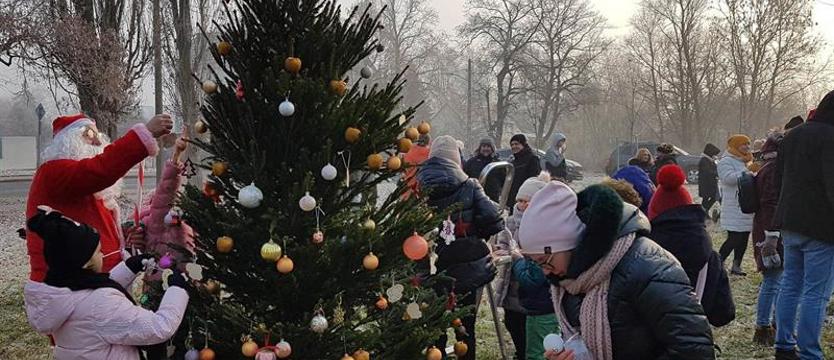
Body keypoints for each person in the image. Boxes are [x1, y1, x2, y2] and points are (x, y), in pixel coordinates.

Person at [517, 183, 714, 360]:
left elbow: (695, 350)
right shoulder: (570, 281)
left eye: (545, 262)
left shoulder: (647, 266)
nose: (546, 272)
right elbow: (584, 335)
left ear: (568, 241)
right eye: (536, 264)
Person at [23, 207, 189, 359]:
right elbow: (159, 327)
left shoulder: (61, 291)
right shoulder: (101, 305)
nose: (102, 254)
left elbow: (88, 295)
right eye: (98, 252)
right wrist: (177, 289)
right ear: (85, 262)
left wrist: (129, 267)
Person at [26, 113, 173, 282]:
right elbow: (102, 169)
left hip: (98, 278)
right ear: (66, 142)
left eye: (98, 135)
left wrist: (124, 237)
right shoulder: (53, 172)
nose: (97, 141)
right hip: (72, 284)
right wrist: (145, 134)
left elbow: (92, 222)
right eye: (89, 134)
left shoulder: (83, 184)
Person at [416, 135, 504, 360]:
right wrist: (475, 233)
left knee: (434, 325)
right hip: (467, 267)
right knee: (465, 325)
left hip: (431, 266)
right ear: (456, 158)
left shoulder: (417, 186)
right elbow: (494, 220)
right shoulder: (470, 185)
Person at [773, 90, 834, 360]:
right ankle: (810, 352)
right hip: (821, 227)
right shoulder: (831, 138)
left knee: (790, 285)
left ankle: (783, 345)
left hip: (790, 221)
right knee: (815, 293)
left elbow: (778, 179)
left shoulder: (792, 135)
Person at [648, 165, 735, 327]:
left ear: (653, 212)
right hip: (693, 335)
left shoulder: (642, 253)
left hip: (651, 336)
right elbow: (723, 314)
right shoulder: (710, 257)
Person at [497, 173, 550, 360]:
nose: (522, 205)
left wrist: (520, 255)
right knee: (511, 321)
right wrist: (502, 251)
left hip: (529, 282)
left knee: (527, 325)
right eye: (519, 201)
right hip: (511, 280)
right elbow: (503, 241)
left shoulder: (543, 224)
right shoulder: (511, 221)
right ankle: (520, 351)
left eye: (527, 201)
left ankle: (524, 353)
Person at [139, 129, 195, 275]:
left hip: (165, 279)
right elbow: (166, 191)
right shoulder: (158, 220)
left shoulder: (178, 221)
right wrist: (176, 156)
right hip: (166, 281)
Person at [750, 133, 784, 346]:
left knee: (775, 280)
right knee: (772, 279)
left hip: (766, 228)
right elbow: (771, 203)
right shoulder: (773, 171)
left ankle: (771, 324)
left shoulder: (767, 168)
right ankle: (763, 326)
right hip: (769, 232)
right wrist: (772, 236)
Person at [718, 134, 755, 276]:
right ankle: (718, 262)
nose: (747, 147)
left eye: (748, 144)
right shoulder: (726, 161)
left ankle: (736, 265)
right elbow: (728, 179)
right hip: (733, 206)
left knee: (744, 237)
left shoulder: (746, 160)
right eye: (744, 144)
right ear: (736, 145)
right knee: (734, 238)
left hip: (746, 204)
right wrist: (748, 171)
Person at [463, 138, 505, 202]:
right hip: (475, 196)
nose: (486, 148)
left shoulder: (497, 163)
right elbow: (465, 176)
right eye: (484, 146)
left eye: (488, 146)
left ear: (492, 148)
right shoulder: (471, 162)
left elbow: (503, 179)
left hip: (493, 197)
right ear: (480, 148)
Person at [508, 134, 542, 211]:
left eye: (516, 144)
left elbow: (534, 180)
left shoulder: (532, 159)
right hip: (514, 199)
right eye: (512, 145)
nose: (514, 146)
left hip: (526, 200)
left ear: (523, 144)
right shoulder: (514, 161)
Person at [403, 133, 431, 198]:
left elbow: (404, 166)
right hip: (422, 184)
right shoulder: (430, 153)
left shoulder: (409, 150)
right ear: (428, 142)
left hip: (408, 183)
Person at [699, 143, 721, 214]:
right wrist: (717, 173)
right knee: (709, 198)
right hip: (706, 184)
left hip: (711, 184)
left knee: (710, 198)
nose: (715, 156)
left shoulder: (710, 160)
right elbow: (708, 172)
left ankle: (704, 211)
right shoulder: (704, 160)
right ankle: (704, 211)